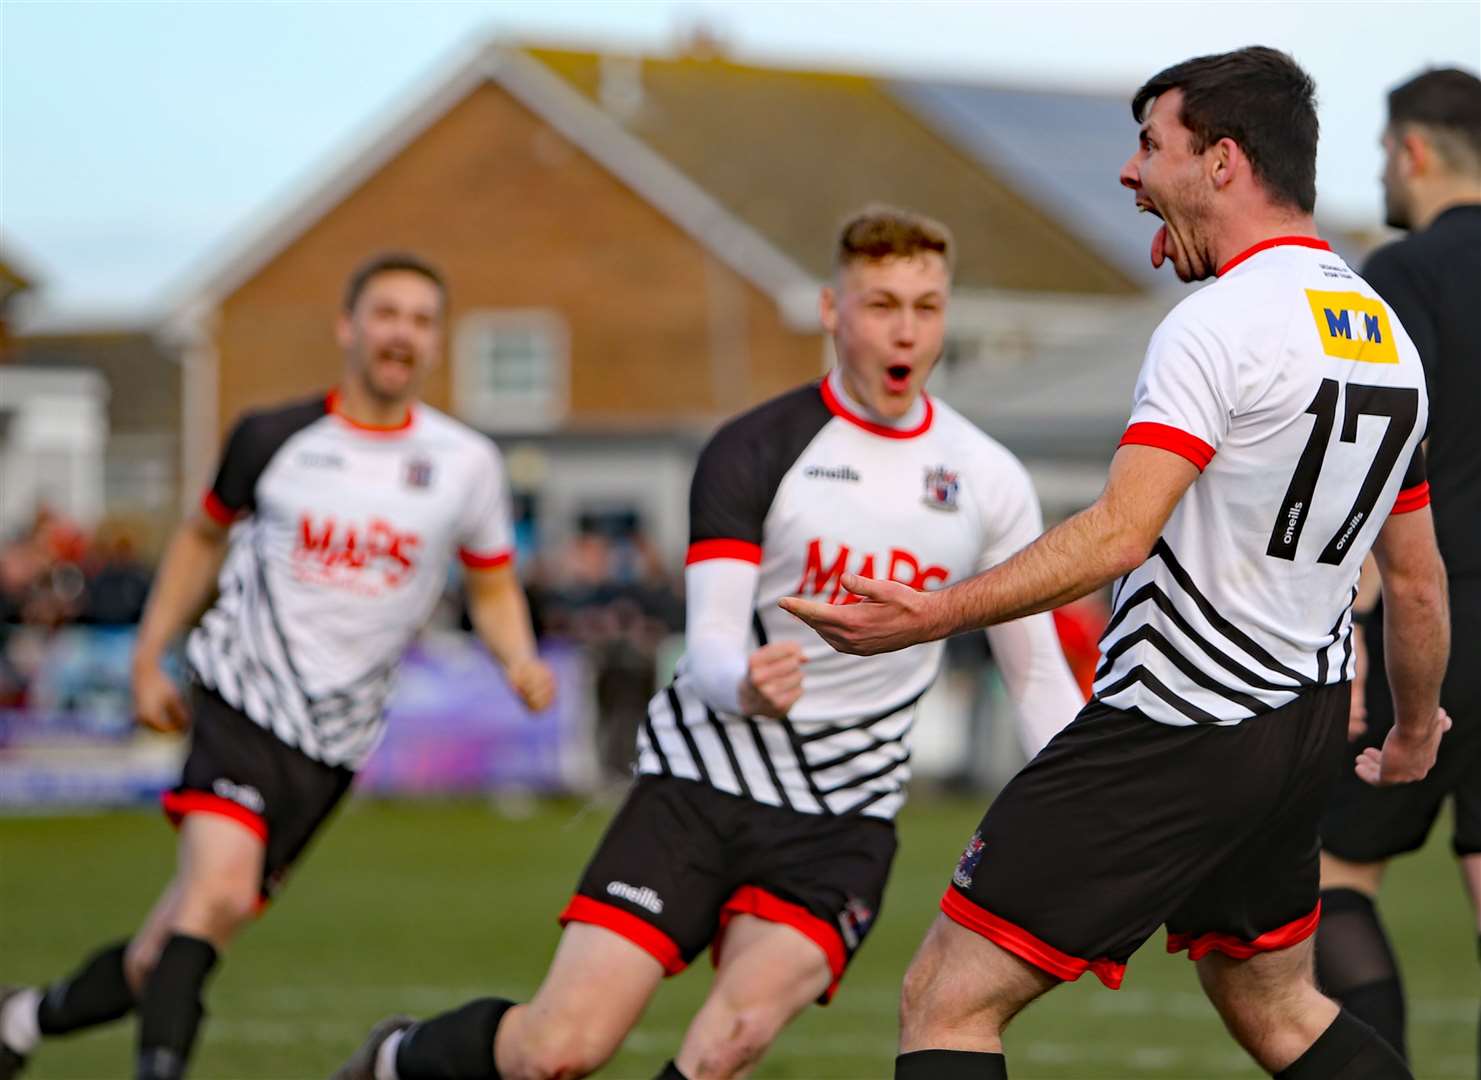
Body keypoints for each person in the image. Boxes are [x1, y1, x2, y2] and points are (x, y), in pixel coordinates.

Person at [782, 48, 1450, 1080]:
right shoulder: (1382, 336)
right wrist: (1411, 726)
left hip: (1176, 726)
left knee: (944, 1002)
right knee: (1275, 1008)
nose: (1130, 172)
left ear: (1221, 161)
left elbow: (1115, 534)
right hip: (1301, 729)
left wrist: (927, 614)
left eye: (1150, 145)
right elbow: (1412, 580)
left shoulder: (1216, 325)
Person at [334, 206, 1084, 1080]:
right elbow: (716, 640)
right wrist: (748, 687)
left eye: (926, 306)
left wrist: (1086, 800)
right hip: (699, 781)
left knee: (728, 1042)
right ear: (831, 310)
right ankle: (396, 1059)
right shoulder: (755, 448)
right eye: (880, 304)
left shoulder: (988, 476)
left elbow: (1035, 678)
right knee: (557, 1051)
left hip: (841, 816)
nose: (905, 329)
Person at [0, 253, 556, 1080]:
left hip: (333, 745)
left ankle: (18, 1020)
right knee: (216, 894)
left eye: (420, 318)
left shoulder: (465, 463)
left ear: (434, 341)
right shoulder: (274, 436)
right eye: (386, 313)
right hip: (239, 698)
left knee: (171, 945)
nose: (401, 332)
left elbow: (492, 582)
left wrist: (517, 657)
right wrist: (152, 654)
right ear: (349, 327)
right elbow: (198, 538)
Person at [1315, 66, 1481, 1068]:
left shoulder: (1397, 276)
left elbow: (1374, 465)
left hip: (1439, 607)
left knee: (1327, 873)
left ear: (1409, 151)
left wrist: (1347, 632)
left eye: (1381, 152)